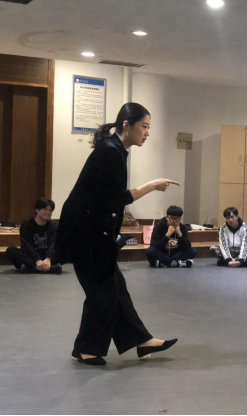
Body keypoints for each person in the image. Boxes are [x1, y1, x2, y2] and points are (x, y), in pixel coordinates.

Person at [56, 103, 181, 366]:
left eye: (149, 127)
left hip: (93, 230)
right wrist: (151, 185)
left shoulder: (116, 150)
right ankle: (87, 349)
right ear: (127, 125)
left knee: (114, 287)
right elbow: (117, 199)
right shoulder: (110, 152)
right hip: (85, 233)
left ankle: (141, 340)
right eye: (144, 126)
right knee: (103, 291)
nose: (147, 133)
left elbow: (110, 201)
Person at [6, 198, 63, 275]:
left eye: (50, 210)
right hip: (31, 256)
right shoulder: (27, 225)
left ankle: (30, 268)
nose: (48, 212)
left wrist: (48, 258)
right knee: (10, 250)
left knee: (67, 250)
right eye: (45, 210)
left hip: (46, 256)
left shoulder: (53, 226)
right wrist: (37, 259)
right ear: (37, 210)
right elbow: (26, 245)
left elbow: (53, 244)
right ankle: (50, 269)